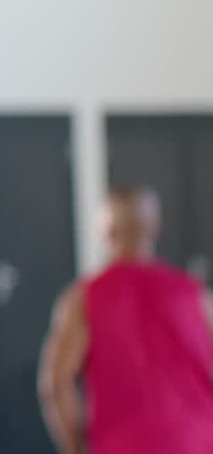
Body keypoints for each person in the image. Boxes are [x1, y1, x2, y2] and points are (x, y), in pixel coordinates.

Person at [39, 187, 213, 454]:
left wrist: (75, 448)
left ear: (106, 232)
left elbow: (55, 385)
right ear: (154, 227)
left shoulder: (84, 299)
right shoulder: (195, 296)